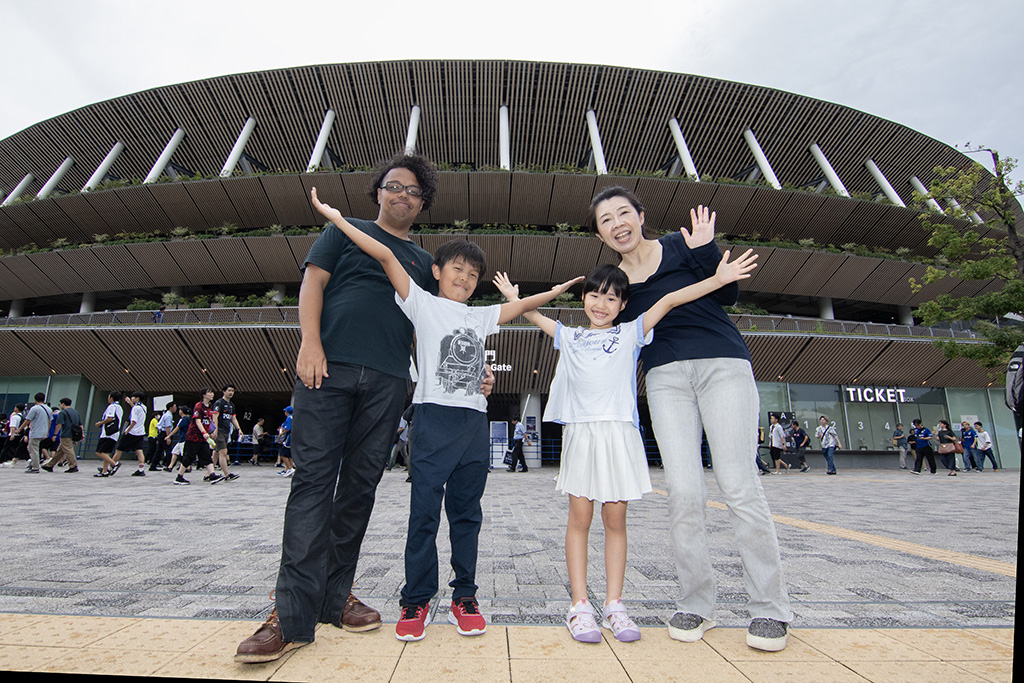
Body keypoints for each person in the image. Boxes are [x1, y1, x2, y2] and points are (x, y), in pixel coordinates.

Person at [236, 153, 492, 662]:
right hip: (326, 371)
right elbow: (313, 282)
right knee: (312, 484)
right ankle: (289, 615)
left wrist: (471, 377)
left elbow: (438, 331)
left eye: (414, 191)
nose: (403, 195)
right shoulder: (346, 231)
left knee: (358, 490)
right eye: (394, 186)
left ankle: (335, 596)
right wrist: (311, 342)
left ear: (422, 205)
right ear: (378, 192)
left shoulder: (422, 263)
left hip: (388, 384)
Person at [311, 185, 580, 643]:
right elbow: (387, 258)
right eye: (457, 269)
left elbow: (518, 307)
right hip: (432, 420)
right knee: (423, 515)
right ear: (437, 271)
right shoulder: (421, 302)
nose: (465, 278)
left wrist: (556, 291)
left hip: (473, 423)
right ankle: (416, 599)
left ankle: (464, 597)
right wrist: (339, 220)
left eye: (473, 274)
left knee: (467, 514)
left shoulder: (479, 318)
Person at [496, 247, 756, 644]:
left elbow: (669, 299)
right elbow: (533, 316)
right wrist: (516, 299)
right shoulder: (572, 336)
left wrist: (719, 280)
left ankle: (615, 604)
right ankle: (580, 606)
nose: (602, 304)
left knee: (615, 523)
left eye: (612, 297)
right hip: (582, 436)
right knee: (579, 520)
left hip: (619, 436)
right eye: (595, 295)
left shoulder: (632, 332)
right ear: (582, 299)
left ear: (623, 304)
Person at [584, 186, 792, 652]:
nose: (618, 224)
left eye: (624, 213)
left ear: (640, 215)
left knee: (739, 485)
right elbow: (612, 338)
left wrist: (705, 249)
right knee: (683, 490)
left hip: (722, 364)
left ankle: (770, 607)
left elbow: (729, 293)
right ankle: (697, 602)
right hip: (664, 379)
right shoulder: (613, 281)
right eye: (605, 220)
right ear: (599, 233)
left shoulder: (680, 244)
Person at [183, 388, 224, 485]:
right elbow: (197, 420)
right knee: (189, 456)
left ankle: (212, 474)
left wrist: (212, 432)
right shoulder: (198, 406)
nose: (212, 394)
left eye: (212, 392)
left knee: (206, 455)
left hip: (203, 437)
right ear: (203, 395)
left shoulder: (210, 407)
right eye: (209, 392)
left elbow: (208, 421)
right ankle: (179, 476)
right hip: (194, 435)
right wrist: (204, 432)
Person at [109, 392, 149, 477]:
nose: (132, 398)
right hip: (140, 432)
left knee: (119, 449)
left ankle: (111, 466)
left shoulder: (135, 408)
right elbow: (136, 410)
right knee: (139, 450)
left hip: (132, 432)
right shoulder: (143, 407)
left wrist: (127, 430)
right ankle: (141, 469)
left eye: (133, 397)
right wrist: (130, 403)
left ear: (137, 398)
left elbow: (134, 420)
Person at [42, 398, 83, 473]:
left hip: (65, 434)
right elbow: (80, 424)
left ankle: (73, 465)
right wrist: (81, 434)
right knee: (60, 451)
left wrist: (55, 434)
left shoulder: (62, 413)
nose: (60, 406)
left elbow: (59, 424)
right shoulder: (76, 412)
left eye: (60, 404)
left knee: (68, 449)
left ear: (63, 404)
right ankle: (50, 465)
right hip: (73, 434)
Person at [211, 385, 240, 482]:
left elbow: (233, 418)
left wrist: (238, 429)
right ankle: (227, 474)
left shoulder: (231, 405)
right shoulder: (219, 403)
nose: (231, 393)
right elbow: (215, 416)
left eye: (232, 391)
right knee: (223, 452)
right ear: (223, 391)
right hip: (219, 431)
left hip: (227, 431)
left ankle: (209, 474)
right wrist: (215, 429)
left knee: (216, 452)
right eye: (229, 390)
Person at [20, 393, 52, 473]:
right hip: (43, 432)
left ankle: (35, 467)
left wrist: (20, 429)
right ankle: (33, 463)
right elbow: (50, 421)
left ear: (35, 399)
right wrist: (47, 431)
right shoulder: (48, 409)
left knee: (33, 449)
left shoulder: (35, 408)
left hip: (35, 432)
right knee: (33, 448)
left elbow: (28, 420)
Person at [94, 392, 123, 477]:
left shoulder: (111, 407)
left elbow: (109, 418)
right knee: (106, 453)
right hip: (115, 433)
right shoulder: (119, 407)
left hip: (108, 433)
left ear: (111, 398)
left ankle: (114, 464)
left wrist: (100, 423)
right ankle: (104, 471)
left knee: (99, 452)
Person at [276, 407, 295, 478]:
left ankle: (290, 468)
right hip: (294, 437)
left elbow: (288, 429)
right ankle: (289, 469)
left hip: (289, 437)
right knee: (290, 455)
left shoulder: (289, 418)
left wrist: (281, 433)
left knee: (283, 454)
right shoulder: (295, 417)